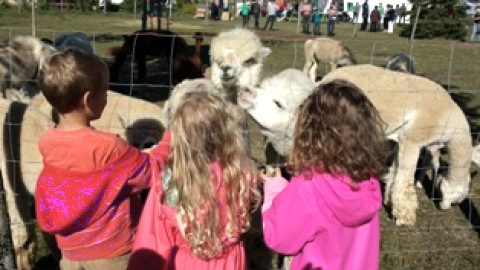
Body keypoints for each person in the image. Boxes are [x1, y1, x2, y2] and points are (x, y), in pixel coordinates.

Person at [34, 49, 171, 269]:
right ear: (88, 100)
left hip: (71, 254)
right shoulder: (110, 148)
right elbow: (151, 170)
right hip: (113, 253)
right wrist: (169, 140)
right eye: (105, 91)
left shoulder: (48, 142)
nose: (107, 97)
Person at [260, 80, 387, 270]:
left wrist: (275, 190)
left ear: (308, 132)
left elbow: (279, 238)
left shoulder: (308, 187)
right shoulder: (367, 179)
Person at [127, 91, 260, 269]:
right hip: (232, 261)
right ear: (227, 131)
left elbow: (154, 240)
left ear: (179, 137)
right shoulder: (242, 174)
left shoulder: (173, 184)